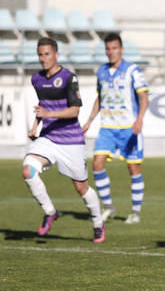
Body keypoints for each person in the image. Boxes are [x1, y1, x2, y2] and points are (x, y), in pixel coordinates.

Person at [22, 37, 105, 243]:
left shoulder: (69, 78)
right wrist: (35, 125)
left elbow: (75, 111)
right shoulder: (37, 79)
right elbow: (43, 104)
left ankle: (97, 223)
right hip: (49, 138)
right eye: (40, 55)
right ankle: (50, 212)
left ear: (56, 54)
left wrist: (49, 114)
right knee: (28, 170)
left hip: (71, 141)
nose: (43, 59)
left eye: (47, 54)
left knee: (81, 187)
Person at [81, 33, 149, 224]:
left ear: (122, 49)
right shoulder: (101, 71)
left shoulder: (133, 71)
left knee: (134, 168)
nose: (111, 52)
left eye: (114, 48)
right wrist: (89, 121)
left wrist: (140, 119)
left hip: (129, 128)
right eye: (108, 49)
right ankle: (108, 207)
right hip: (108, 128)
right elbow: (100, 98)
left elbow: (144, 97)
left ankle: (135, 212)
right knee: (96, 164)